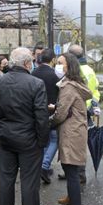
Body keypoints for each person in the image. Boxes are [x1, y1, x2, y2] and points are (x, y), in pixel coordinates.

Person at [0, 47, 49, 205]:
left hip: (7, 140)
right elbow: (41, 116)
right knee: (29, 182)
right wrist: (41, 140)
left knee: (6, 180)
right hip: (29, 141)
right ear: (27, 63)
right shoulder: (36, 84)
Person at [51, 52, 92, 205]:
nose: (57, 66)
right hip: (77, 129)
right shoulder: (76, 83)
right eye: (57, 63)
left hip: (71, 132)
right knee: (71, 167)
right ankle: (72, 196)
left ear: (70, 66)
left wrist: (50, 121)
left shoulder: (68, 87)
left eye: (61, 63)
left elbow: (61, 113)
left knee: (70, 169)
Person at [57, 44, 101, 183]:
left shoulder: (76, 71)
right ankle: (77, 173)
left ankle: (76, 174)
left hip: (76, 110)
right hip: (86, 108)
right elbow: (95, 89)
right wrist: (94, 104)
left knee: (75, 145)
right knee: (80, 144)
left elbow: (73, 94)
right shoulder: (89, 69)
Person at [31, 48, 59, 184]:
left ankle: (40, 166)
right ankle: (45, 165)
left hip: (36, 112)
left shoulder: (33, 73)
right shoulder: (55, 75)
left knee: (41, 141)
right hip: (52, 112)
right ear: (53, 60)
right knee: (54, 140)